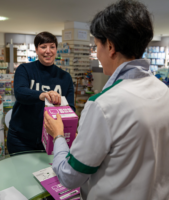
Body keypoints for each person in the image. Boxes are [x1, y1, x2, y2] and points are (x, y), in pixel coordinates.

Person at [44, 0, 169, 199]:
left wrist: (58, 136)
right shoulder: (164, 91)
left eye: (97, 47)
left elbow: (70, 177)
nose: (98, 56)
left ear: (110, 46)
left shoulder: (104, 105)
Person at [7, 32, 75, 154]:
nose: (48, 51)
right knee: (21, 172)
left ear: (56, 50)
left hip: (52, 138)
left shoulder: (65, 77)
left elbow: (71, 108)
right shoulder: (25, 69)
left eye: (52, 47)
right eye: (43, 47)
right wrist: (42, 95)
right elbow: (20, 93)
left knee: (49, 172)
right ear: (36, 50)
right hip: (21, 139)